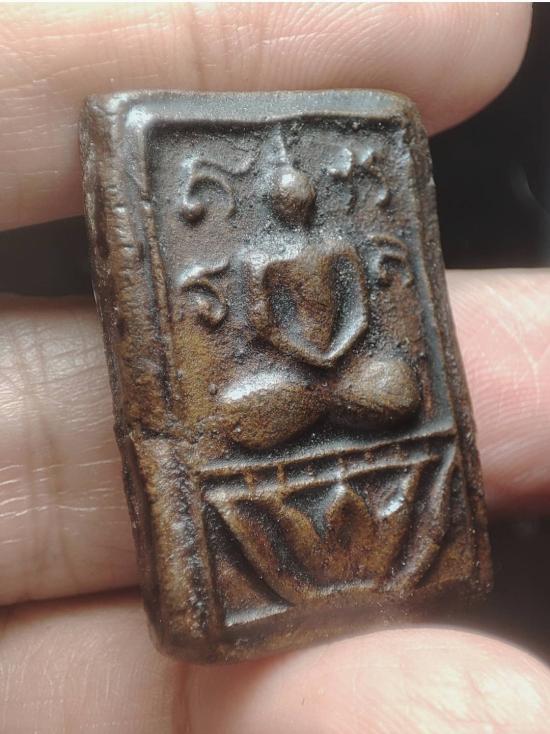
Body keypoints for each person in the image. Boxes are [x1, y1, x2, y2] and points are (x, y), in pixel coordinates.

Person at [1, 4, 549, 732]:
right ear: (276, 204)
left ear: (308, 200)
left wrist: (336, 355)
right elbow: (264, 326)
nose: (293, 204)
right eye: (285, 199)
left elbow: (359, 314)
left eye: (299, 197)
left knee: (400, 388)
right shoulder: (260, 258)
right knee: (238, 412)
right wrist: (307, 361)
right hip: (293, 378)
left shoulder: (339, 248)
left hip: (348, 370)